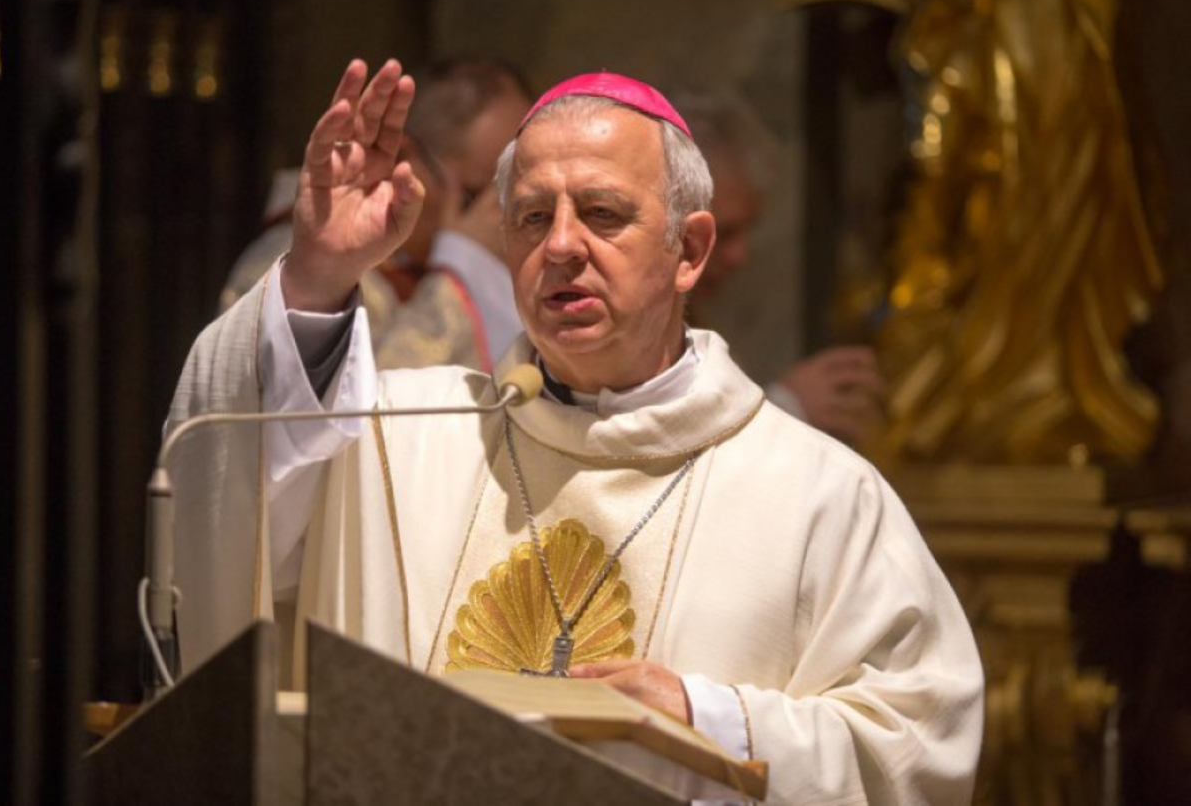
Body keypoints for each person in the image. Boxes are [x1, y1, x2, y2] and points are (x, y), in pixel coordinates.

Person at [167, 58, 983, 803]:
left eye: (602, 213)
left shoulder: (819, 493)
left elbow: (918, 747)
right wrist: (318, 274)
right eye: (531, 217)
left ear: (690, 249)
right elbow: (228, 483)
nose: (560, 245)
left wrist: (702, 715)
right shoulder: (398, 436)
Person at [220, 58, 531, 372]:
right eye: (474, 196)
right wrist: (457, 275)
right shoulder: (296, 269)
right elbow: (341, 398)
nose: (493, 223)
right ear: (403, 158)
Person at [672, 90, 886, 447]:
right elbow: (664, 458)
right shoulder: (632, 330)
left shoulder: (695, 319)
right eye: (725, 232)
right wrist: (788, 405)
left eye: (747, 231)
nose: (740, 256)